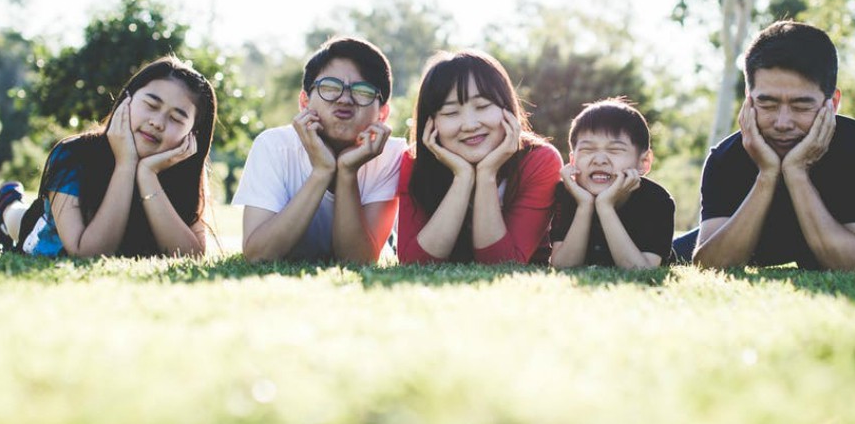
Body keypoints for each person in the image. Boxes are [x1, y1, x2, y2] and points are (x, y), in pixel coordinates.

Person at [674, 20, 855, 270]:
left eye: (801, 106)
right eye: (768, 105)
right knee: (666, 252)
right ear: (749, 101)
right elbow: (709, 266)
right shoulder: (724, 159)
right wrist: (767, 175)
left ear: (832, 104)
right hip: (768, 237)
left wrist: (796, 173)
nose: (782, 123)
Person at [0, 56, 217, 257]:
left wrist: (147, 175)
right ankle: (7, 204)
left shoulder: (184, 169)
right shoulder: (74, 153)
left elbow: (191, 256)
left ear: (191, 134)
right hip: (46, 231)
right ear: (127, 100)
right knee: (22, 219)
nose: (157, 122)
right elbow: (88, 253)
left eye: (176, 118)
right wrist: (126, 164)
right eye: (151, 104)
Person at [235, 37, 406, 264]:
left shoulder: (391, 155)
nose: (345, 99)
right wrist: (321, 171)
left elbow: (357, 261)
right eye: (330, 87)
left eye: (362, 91)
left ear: (382, 114)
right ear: (304, 102)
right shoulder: (273, 146)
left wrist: (346, 171)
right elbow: (258, 255)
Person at [397, 50, 562, 264]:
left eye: (482, 107)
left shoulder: (539, 161)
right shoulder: (414, 162)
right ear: (431, 123)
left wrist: (486, 174)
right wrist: (463, 177)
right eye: (451, 113)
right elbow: (415, 263)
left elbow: (501, 263)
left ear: (507, 108)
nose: (470, 125)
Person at [549, 98, 674, 268]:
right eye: (588, 150)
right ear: (572, 160)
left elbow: (641, 271)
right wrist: (584, 205)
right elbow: (562, 266)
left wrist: (605, 206)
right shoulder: (568, 192)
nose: (599, 160)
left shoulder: (656, 199)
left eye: (615, 150)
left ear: (643, 162)